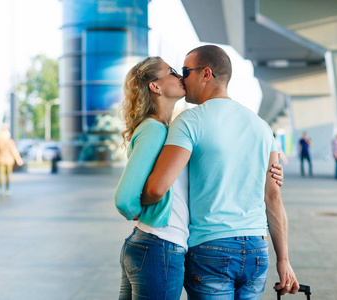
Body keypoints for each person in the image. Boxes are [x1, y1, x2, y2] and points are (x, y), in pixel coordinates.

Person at [114, 56, 284, 299]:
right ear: (155, 86)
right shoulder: (155, 129)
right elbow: (127, 198)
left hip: (162, 244)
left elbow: (223, 152)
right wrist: (143, 213)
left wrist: (273, 158)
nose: (181, 76)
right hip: (160, 242)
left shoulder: (171, 128)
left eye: (182, 71)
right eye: (173, 72)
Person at [0, 128, 23, 196]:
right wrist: (18, 159)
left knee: (0, 175)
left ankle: (0, 189)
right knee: (8, 175)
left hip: (0, 161)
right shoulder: (10, 142)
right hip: (9, 161)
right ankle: (7, 189)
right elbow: (14, 151)